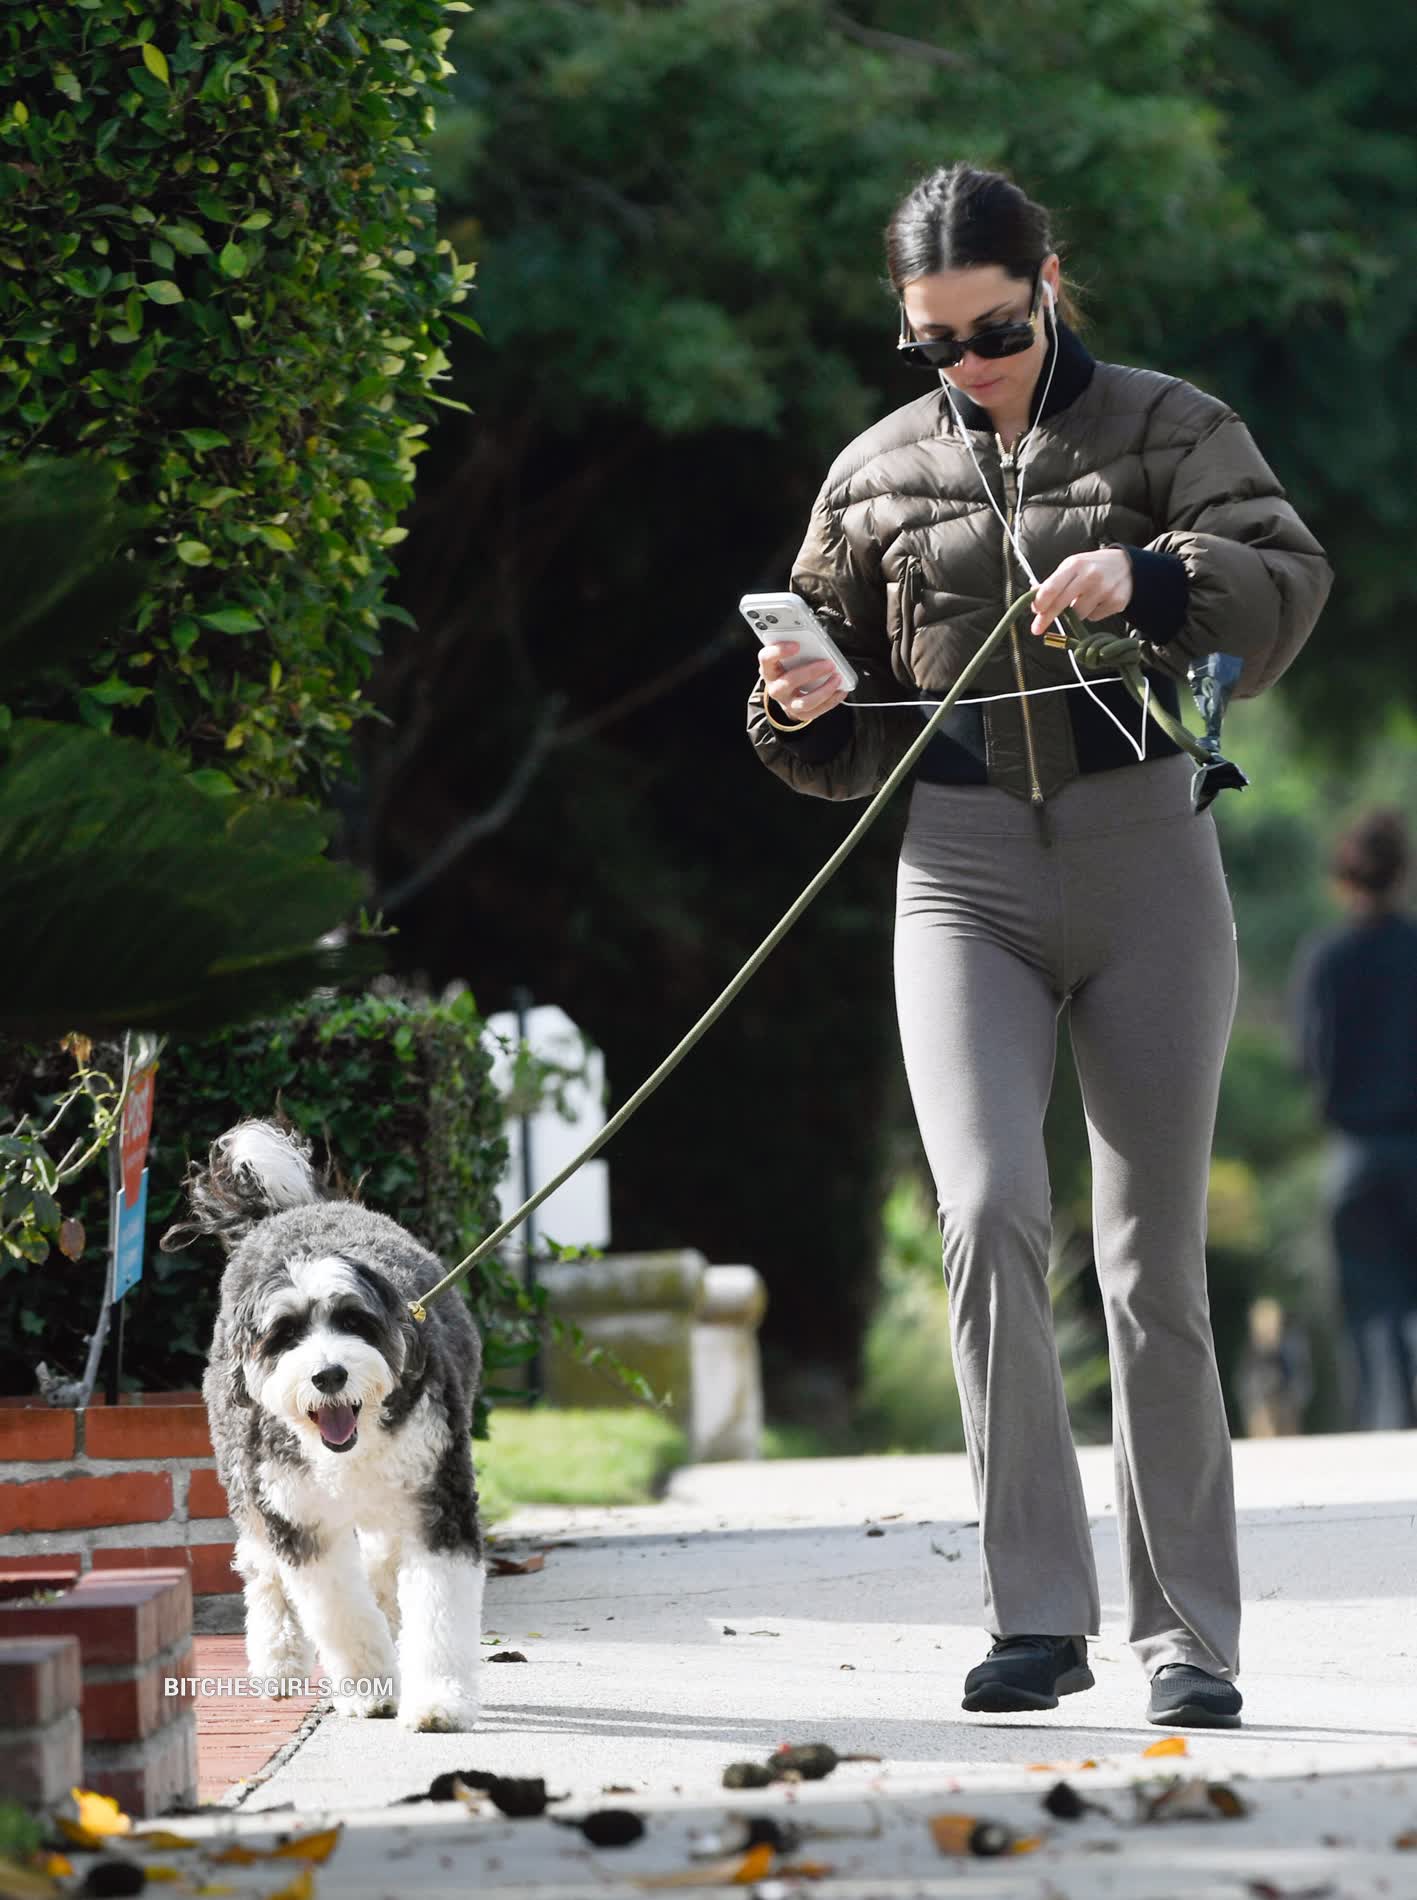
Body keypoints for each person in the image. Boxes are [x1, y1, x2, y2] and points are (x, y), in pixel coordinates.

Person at [746, 163, 1332, 1729]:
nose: (969, 365)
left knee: (1149, 1262)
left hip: (1147, 862)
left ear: (1048, 287)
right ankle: (1036, 1618)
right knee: (989, 1209)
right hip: (961, 876)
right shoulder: (872, 473)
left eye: (993, 332)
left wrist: (1152, 573)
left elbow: (1284, 583)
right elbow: (826, 710)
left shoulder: (1170, 425)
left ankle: (1186, 1637)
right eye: (932, 343)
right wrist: (800, 699)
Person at [1291, 810, 1417, 1430]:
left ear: (1343, 879)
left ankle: (1386, 1429)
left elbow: (1309, 1060)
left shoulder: (1327, 957)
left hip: (1356, 1155)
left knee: (1369, 1310)